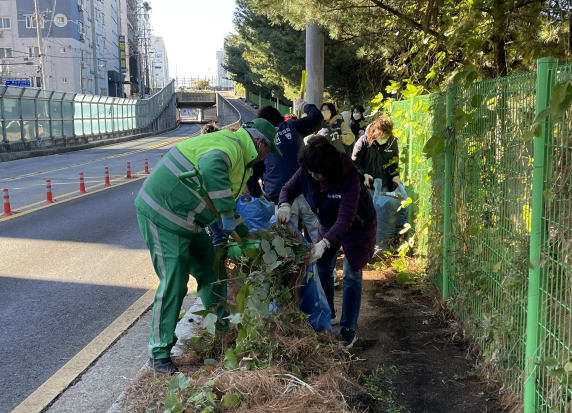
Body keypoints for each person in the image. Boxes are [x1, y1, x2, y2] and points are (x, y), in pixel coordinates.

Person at [135, 119, 281, 374]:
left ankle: (222, 333)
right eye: (269, 151)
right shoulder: (231, 145)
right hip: (162, 213)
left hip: (191, 219)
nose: (266, 158)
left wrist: (244, 234)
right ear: (260, 143)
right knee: (175, 282)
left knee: (212, 272)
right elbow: (211, 167)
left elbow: (225, 200)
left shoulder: (242, 160)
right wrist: (224, 214)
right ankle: (158, 354)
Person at [276, 136, 376, 348]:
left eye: (317, 174)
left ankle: (349, 330)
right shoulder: (308, 169)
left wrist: (325, 242)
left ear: (329, 169)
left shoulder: (350, 179)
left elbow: (346, 218)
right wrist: (284, 204)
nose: (313, 176)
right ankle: (327, 314)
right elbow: (288, 189)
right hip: (328, 222)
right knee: (321, 266)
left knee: (351, 275)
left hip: (357, 226)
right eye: (310, 172)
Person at [254, 101, 324, 242]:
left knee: (288, 245)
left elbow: (255, 172)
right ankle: (321, 262)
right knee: (319, 238)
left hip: (281, 198)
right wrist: (303, 105)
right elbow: (317, 117)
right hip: (306, 191)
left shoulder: (260, 141)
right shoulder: (293, 126)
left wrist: (258, 196)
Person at [352, 116, 407, 250]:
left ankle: (381, 245)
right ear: (374, 133)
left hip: (384, 184)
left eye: (385, 137)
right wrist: (364, 174)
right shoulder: (364, 141)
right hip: (367, 185)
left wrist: (395, 177)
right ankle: (362, 245)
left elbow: (394, 163)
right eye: (380, 137)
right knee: (367, 214)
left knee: (383, 214)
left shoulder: (393, 142)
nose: (383, 140)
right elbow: (354, 162)